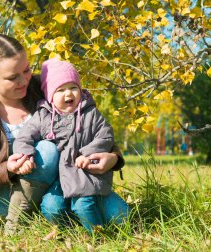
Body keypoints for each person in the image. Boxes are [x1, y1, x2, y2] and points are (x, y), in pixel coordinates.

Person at [0, 34, 128, 235]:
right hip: (5, 195)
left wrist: (114, 158)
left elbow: (88, 122)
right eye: (12, 77)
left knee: (120, 216)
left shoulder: (48, 86)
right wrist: (7, 169)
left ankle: (58, 216)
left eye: (26, 70)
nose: (23, 81)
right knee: (47, 150)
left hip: (61, 185)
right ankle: (17, 224)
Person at [12, 58, 126, 232]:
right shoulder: (43, 116)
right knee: (52, 207)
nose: (68, 94)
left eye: (73, 88)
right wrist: (25, 154)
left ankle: (97, 234)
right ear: (50, 94)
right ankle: (69, 230)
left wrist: (88, 153)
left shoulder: (90, 113)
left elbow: (106, 134)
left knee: (99, 209)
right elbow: (24, 136)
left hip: (85, 174)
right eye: (60, 90)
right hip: (59, 177)